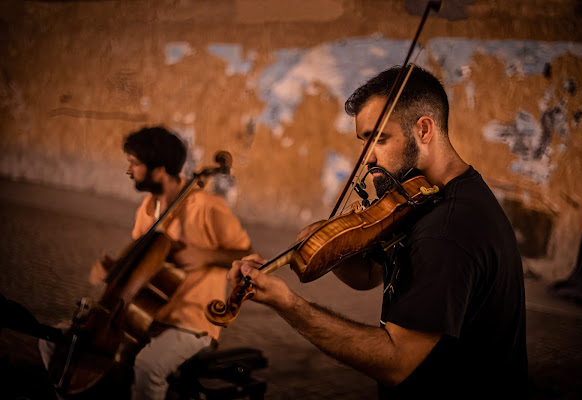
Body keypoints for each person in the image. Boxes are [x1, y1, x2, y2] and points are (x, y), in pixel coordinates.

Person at [227, 65, 529, 398]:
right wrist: (331, 240)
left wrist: (289, 304)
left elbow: (396, 360)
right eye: (365, 140)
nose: (368, 157)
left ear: (424, 130)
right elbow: (369, 274)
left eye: (380, 138)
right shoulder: (422, 197)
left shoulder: (446, 230)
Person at [41, 126, 251, 400]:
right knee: (54, 340)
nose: (129, 171)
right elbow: (145, 264)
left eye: (134, 164)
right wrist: (113, 270)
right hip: (140, 318)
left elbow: (246, 254)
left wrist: (207, 255)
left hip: (191, 323)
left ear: (159, 169)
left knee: (148, 367)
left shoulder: (206, 207)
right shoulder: (148, 209)